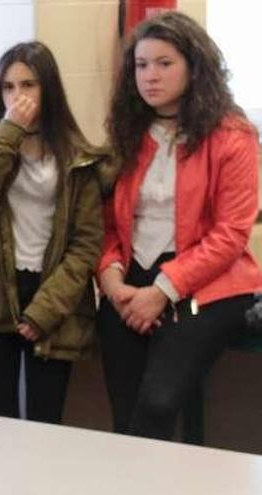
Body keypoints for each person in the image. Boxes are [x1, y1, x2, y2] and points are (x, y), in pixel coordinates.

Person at [97, 11, 262, 440]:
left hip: (209, 284)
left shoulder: (233, 134)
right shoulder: (128, 132)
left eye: (164, 64)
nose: (150, 76)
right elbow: (109, 227)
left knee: (156, 405)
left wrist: (161, 292)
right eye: (141, 65)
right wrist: (113, 283)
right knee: (125, 409)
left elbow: (230, 234)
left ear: (194, 67)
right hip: (130, 283)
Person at [0, 42, 105, 424]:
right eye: (8, 87)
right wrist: (8, 133)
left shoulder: (80, 156)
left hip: (54, 294)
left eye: (28, 85)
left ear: (49, 89)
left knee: (46, 422)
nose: (18, 96)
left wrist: (45, 311)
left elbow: (86, 245)